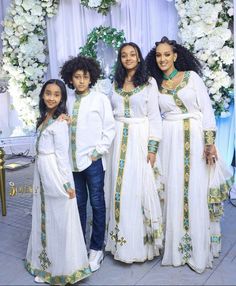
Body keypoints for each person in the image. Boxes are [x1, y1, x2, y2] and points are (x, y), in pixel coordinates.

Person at [145, 36, 233, 273]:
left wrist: (210, 143)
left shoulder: (191, 78)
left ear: (175, 56)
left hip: (195, 139)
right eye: (158, 55)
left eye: (166, 54)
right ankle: (176, 249)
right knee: (174, 190)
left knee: (195, 190)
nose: (162, 59)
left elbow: (206, 109)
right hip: (170, 141)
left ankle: (198, 250)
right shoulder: (155, 84)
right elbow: (152, 115)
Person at [25, 79, 91, 284]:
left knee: (57, 218)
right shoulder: (46, 117)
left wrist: (67, 185)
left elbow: (63, 156)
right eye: (48, 93)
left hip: (54, 173)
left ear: (62, 98)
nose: (51, 97)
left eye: (56, 94)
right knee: (45, 216)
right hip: (42, 172)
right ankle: (46, 263)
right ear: (43, 95)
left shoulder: (60, 123)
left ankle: (60, 267)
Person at [105, 42, 163, 263]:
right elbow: (108, 113)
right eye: (123, 55)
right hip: (118, 139)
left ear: (139, 57)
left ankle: (139, 246)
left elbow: (155, 117)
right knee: (117, 187)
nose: (128, 58)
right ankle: (118, 242)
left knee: (136, 188)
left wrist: (152, 148)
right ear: (120, 59)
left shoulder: (149, 83)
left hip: (139, 137)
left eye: (132, 54)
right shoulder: (115, 82)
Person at [60, 56, 115, 272]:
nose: (81, 81)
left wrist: (98, 151)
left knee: (97, 203)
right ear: (70, 79)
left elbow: (109, 128)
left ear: (91, 77)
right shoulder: (67, 100)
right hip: (71, 163)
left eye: (85, 77)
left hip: (91, 161)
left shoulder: (100, 99)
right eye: (77, 77)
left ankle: (96, 248)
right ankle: (80, 246)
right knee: (78, 205)